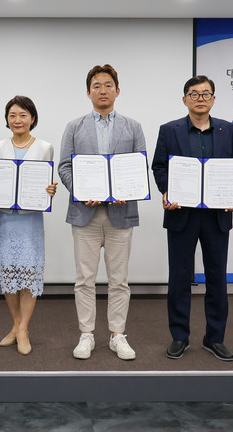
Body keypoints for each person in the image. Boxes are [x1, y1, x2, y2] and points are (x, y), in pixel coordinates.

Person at [58, 64, 146, 361]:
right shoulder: (74, 127)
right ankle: (86, 334)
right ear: (88, 92)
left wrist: (127, 191)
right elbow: (65, 167)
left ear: (117, 90)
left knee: (119, 280)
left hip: (121, 213)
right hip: (86, 213)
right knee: (84, 278)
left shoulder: (133, 127)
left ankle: (118, 335)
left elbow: (139, 167)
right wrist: (82, 191)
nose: (103, 90)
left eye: (108, 85)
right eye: (96, 85)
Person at [152, 75, 233, 362]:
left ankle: (214, 338)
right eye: (194, 94)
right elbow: (159, 166)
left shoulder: (228, 130)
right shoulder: (169, 130)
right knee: (179, 278)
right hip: (182, 214)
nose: (200, 98)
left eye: (206, 94)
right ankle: (180, 336)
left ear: (213, 99)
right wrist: (166, 190)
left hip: (217, 216)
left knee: (217, 278)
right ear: (185, 99)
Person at [0, 96, 57, 355]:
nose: (17, 120)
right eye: (12, 115)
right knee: (8, 272)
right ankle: (16, 325)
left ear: (33, 118)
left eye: (23, 115)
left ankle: (23, 330)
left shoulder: (45, 147)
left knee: (29, 273)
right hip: (5, 218)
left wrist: (49, 190)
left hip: (30, 219)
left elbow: (46, 181)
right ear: (7, 119)